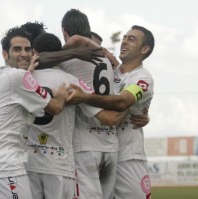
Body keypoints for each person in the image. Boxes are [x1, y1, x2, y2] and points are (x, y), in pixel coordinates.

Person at [0, 27, 70, 199]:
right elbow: (55, 107)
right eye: (17, 49)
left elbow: (22, 85)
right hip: (6, 168)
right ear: (5, 54)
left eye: (27, 49)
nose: (24, 54)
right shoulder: (19, 77)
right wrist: (61, 95)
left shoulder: (2, 75)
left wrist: (27, 73)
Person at [26, 32, 124, 199]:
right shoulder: (70, 81)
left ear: (34, 52)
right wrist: (128, 101)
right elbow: (108, 119)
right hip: (58, 165)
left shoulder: (23, 79)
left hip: (29, 164)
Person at [67, 25, 155, 199]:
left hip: (129, 157)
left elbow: (123, 101)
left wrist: (85, 97)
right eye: (124, 37)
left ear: (144, 49)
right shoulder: (111, 72)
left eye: (131, 39)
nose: (124, 41)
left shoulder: (143, 78)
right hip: (106, 151)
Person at [59, 9, 124, 199]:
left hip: (85, 146)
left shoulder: (70, 59)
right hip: (111, 146)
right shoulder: (105, 59)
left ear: (64, 32)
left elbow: (73, 42)